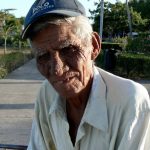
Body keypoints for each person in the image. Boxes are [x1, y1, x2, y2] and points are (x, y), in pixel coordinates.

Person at [21, 0, 150, 149]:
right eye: (43, 56)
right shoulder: (46, 95)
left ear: (94, 46)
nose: (57, 69)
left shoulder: (130, 101)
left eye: (68, 49)